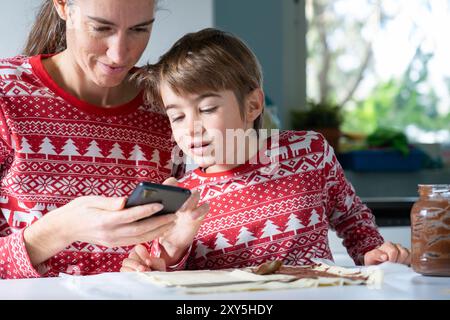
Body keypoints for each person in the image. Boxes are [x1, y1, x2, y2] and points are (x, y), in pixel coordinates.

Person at [121, 28, 411, 272]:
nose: (191, 129)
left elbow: (351, 217)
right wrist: (172, 249)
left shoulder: (309, 150)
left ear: (253, 105)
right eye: (178, 116)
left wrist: (373, 252)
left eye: (207, 109)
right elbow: (163, 267)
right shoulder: (185, 199)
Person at [0, 0, 208, 279]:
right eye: (100, 28)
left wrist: (167, 260)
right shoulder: (6, 95)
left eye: (139, 29)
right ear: (63, 6)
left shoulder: (167, 108)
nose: (120, 53)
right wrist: (63, 228)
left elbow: (167, 256)